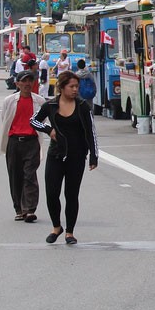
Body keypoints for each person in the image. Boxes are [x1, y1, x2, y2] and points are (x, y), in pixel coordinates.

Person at [30, 70, 98, 245]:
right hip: (56, 155)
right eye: (72, 86)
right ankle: (56, 227)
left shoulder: (83, 106)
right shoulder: (51, 105)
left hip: (76, 157)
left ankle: (69, 232)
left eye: (77, 86)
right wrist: (48, 130)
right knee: (52, 193)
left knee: (71, 194)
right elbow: (34, 120)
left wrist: (93, 155)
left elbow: (91, 132)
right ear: (61, 87)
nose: (75, 90)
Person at [0, 69, 46, 223]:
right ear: (17, 83)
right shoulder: (9, 101)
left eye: (29, 81)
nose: (27, 84)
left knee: (29, 175)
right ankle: (19, 209)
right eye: (24, 81)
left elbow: (43, 122)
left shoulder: (39, 101)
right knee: (15, 176)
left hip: (32, 142)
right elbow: (5, 120)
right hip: (13, 142)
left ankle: (30, 209)